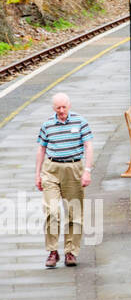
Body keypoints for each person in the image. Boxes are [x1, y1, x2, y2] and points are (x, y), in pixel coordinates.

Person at [35, 93, 94, 268]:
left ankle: (71, 252)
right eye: (58, 108)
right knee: (52, 212)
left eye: (64, 107)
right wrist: (37, 174)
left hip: (74, 168)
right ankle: (52, 251)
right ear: (53, 108)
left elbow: (88, 146)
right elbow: (41, 149)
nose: (61, 111)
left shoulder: (80, 122)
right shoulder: (47, 124)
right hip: (51, 169)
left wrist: (87, 171)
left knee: (74, 213)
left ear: (69, 105)